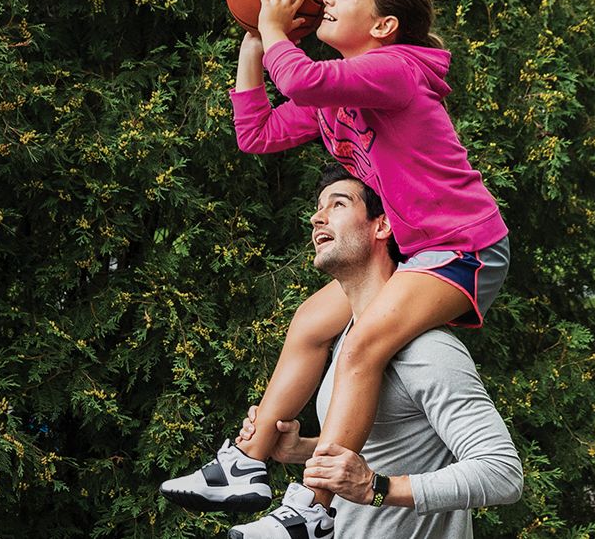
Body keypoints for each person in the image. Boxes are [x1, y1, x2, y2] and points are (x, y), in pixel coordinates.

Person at [160, 0, 512, 537]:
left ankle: (312, 510)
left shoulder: (397, 69)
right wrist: (254, 41)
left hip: (464, 246)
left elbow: (300, 79)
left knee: (358, 349)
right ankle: (245, 464)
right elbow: (258, 133)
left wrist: (276, 30)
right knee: (308, 323)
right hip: (420, 248)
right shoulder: (338, 96)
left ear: (382, 26)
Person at [222, 167, 523, 537]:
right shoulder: (348, 343)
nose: (318, 217)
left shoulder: (427, 349)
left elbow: (502, 473)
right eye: (318, 208)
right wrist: (302, 450)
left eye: (338, 204)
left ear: (382, 226)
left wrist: (379, 489)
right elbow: (388, 446)